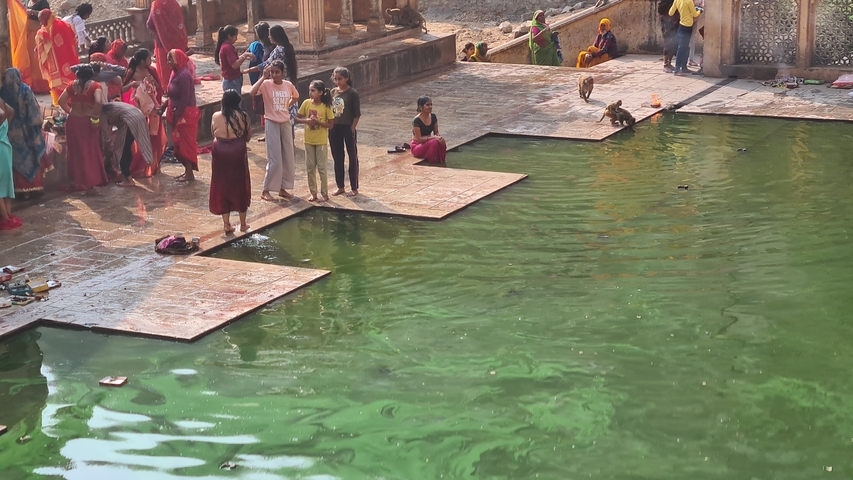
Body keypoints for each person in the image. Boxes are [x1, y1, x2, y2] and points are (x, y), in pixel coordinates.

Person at [250, 60, 298, 201]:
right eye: (272, 72)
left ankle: (283, 188)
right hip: (272, 122)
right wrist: (263, 77)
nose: (275, 75)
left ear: (283, 73)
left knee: (287, 156)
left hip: (285, 122)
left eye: (277, 72)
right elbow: (252, 92)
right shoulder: (266, 84)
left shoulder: (288, 85)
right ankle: (266, 189)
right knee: (274, 158)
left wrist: (287, 105)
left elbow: (296, 96)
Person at [0, 68, 51, 199]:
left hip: (11, 131)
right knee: (30, 157)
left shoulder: (2, 92)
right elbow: (35, 111)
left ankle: (21, 190)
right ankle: (36, 187)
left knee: (16, 159)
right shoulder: (25, 90)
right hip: (28, 131)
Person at [58, 64, 109, 194]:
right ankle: (90, 185)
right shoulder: (95, 86)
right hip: (88, 122)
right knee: (89, 152)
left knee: (75, 152)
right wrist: (95, 118)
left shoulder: (72, 85)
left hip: (73, 121)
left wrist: (71, 112)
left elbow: (61, 101)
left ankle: (76, 182)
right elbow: (98, 102)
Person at [210, 89, 252, 233]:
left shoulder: (216, 115)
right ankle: (243, 224)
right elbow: (247, 137)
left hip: (220, 150)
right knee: (240, 184)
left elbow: (213, 133)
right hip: (237, 150)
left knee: (221, 184)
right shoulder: (243, 116)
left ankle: (226, 225)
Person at [122, 49, 165, 178]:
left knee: (155, 135)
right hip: (138, 109)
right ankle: (139, 165)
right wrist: (132, 85)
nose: (150, 61)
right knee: (140, 135)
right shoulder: (131, 72)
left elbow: (159, 88)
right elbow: (122, 88)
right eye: (148, 59)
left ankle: (155, 165)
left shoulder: (151, 71)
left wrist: (152, 81)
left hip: (152, 108)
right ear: (142, 61)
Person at [161, 49, 199, 182]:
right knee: (179, 145)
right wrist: (164, 106)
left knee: (186, 144)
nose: (168, 62)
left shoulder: (184, 75)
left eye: (170, 59)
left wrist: (178, 114)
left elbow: (185, 97)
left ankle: (189, 173)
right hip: (177, 112)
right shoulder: (174, 73)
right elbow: (172, 95)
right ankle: (187, 171)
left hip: (186, 114)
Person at [295, 80, 334, 202]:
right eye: (309, 90)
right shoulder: (306, 103)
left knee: (322, 168)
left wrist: (318, 122)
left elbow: (330, 125)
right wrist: (306, 121)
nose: (310, 93)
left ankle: (324, 193)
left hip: (321, 141)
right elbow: (296, 117)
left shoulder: (326, 106)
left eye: (313, 91)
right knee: (310, 167)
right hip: (309, 140)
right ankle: (313, 192)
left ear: (320, 92)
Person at [100, 101, 154, 187]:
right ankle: (125, 176)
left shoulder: (101, 114)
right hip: (137, 116)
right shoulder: (109, 106)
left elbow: (107, 139)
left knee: (121, 150)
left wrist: (107, 155)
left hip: (130, 120)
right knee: (126, 148)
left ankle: (128, 179)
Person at [35, 9, 80, 105]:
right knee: (72, 78)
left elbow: (43, 42)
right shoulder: (65, 24)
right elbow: (75, 40)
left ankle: (63, 104)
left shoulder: (44, 31)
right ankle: (75, 102)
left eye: (40, 20)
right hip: (70, 58)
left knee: (58, 83)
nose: (41, 23)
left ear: (45, 18)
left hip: (57, 64)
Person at [6, 0, 51, 92]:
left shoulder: (43, 3)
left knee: (37, 60)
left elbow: (48, 15)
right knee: (29, 60)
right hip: (27, 34)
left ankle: (42, 86)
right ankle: (32, 85)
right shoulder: (28, 2)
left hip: (37, 34)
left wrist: (32, 12)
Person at [329, 67, 360, 197]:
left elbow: (357, 114)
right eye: (335, 79)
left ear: (346, 78)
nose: (338, 82)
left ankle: (354, 187)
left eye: (340, 79)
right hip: (334, 128)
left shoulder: (352, 93)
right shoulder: (332, 92)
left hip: (347, 127)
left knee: (352, 157)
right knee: (338, 158)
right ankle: (340, 186)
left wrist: (352, 128)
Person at [147, 0, 190, 90]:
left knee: (166, 66)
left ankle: (167, 88)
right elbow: (181, 22)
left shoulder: (156, 4)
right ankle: (183, 86)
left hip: (162, 42)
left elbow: (150, 24)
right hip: (178, 41)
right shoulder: (175, 3)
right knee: (178, 63)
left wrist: (160, 29)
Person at [248, 22, 272, 140]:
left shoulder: (270, 47)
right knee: (263, 107)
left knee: (266, 106)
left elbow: (265, 64)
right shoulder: (262, 46)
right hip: (263, 78)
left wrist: (250, 70)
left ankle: (269, 132)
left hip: (267, 79)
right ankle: (266, 132)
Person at [0, 97, 21, 230]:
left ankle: (5, 219)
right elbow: (10, 111)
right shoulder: (1, 100)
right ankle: (8, 214)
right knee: (6, 184)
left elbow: (1, 114)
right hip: (5, 144)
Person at [215, 25, 253, 92]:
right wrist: (245, 55)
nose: (236, 39)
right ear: (229, 37)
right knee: (235, 101)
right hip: (231, 81)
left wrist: (244, 55)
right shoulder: (227, 48)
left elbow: (235, 61)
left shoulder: (225, 46)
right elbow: (234, 65)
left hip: (231, 79)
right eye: (235, 36)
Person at [410, 96, 446, 164]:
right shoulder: (416, 120)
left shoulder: (433, 117)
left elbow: (436, 133)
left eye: (431, 104)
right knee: (434, 142)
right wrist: (434, 137)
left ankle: (441, 162)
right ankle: (433, 162)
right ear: (421, 107)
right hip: (417, 145)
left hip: (428, 142)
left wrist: (439, 138)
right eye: (427, 105)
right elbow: (419, 139)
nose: (430, 107)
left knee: (441, 142)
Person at [669, 0, 701, 76]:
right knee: (683, 48)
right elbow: (695, 14)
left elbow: (670, 12)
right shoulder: (689, 1)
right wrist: (700, 10)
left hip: (681, 26)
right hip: (688, 27)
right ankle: (677, 69)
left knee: (684, 47)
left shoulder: (677, 1)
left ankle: (684, 67)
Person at [658, 0, 680, 73]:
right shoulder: (665, 2)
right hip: (667, 23)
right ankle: (665, 64)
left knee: (674, 44)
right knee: (668, 43)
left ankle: (669, 63)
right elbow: (661, 10)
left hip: (675, 22)